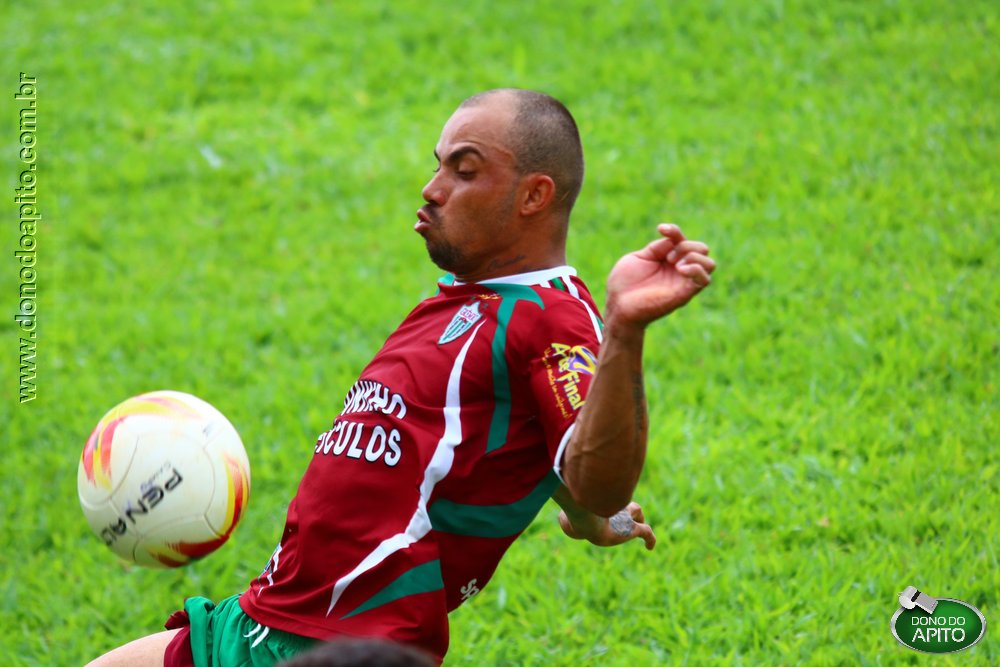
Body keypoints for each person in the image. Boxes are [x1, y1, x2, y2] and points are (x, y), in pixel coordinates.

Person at [87, 88, 715, 666]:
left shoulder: (549, 318)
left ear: (534, 196)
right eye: (438, 165)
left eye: (463, 171)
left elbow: (597, 474)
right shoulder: (465, 303)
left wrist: (624, 332)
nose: (432, 188)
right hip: (267, 618)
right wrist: (581, 511)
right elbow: (516, 437)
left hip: (342, 642)